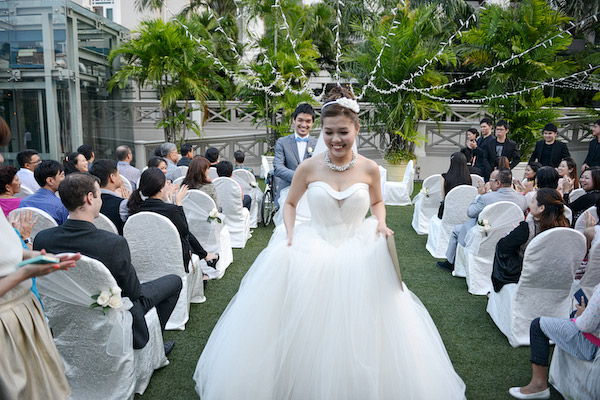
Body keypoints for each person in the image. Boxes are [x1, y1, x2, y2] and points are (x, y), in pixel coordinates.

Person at [193, 87, 466, 399]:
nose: (336, 139)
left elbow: (377, 202)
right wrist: (292, 233)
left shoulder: (369, 169)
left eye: (343, 132)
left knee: (367, 328)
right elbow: (291, 203)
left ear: (356, 130)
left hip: (359, 250)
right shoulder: (309, 167)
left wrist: (381, 222)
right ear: (322, 131)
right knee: (305, 328)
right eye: (329, 132)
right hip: (314, 247)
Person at [33, 173, 182, 353]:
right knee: (174, 281)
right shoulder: (113, 243)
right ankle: (155, 348)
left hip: (67, 313)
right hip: (115, 310)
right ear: (90, 198)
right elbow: (133, 292)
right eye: (99, 195)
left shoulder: (42, 239)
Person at [0, 116, 80, 400]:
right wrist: (24, 272)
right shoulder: (58, 207)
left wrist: (33, 254)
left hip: (26, 314)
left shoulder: (24, 202)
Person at [508, 283, 600, 399]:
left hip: (592, 345)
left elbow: (585, 325)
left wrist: (581, 315)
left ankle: (538, 385)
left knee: (538, 326)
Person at [126, 168, 219, 271]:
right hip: (174, 261)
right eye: (166, 183)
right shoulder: (171, 210)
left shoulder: (136, 210)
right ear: (161, 189)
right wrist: (178, 204)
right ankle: (206, 257)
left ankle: (206, 256)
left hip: (146, 260)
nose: (168, 185)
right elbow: (185, 233)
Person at [437, 168, 528, 272]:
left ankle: (450, 262)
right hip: (509, 236)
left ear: (498, 183)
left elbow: (470, 212)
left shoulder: (486, 198)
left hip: (485, 234)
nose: (488, 183)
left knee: (457, 230)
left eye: (490, 180)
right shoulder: (522, 199)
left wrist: (479, 195)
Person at [491, 188, 570, 292]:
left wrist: (515, 233)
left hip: (527, 274)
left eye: (533, 201)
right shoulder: (565, 225)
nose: (530, 204)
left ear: (541, 208)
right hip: (555, 273)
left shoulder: (526, 228)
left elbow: (503, 246)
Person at [273, 103, 318, 201]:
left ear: (312, 123)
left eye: (308, 121)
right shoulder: (282, 142)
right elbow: (278, 168)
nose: (303, 125)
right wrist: (300, 177)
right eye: (300, 120)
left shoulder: (318, 144)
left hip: (310, 194)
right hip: (286, 193)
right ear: (294, 120)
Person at [20, 160, 69, 225]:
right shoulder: (61, 206)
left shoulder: (24, 202)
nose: (64, 179)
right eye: (62, 175)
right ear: (50, 181)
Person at [88, 159, 129, 235]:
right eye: (118, 174)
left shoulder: (88, 202)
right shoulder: (122, 204)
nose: (121, 178)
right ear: (112, 177)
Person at [438, 152, 472, 218]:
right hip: (464, 212)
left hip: (447, 211)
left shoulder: (444, 177)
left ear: (451, 162)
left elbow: (443, 197)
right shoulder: (468, 177)